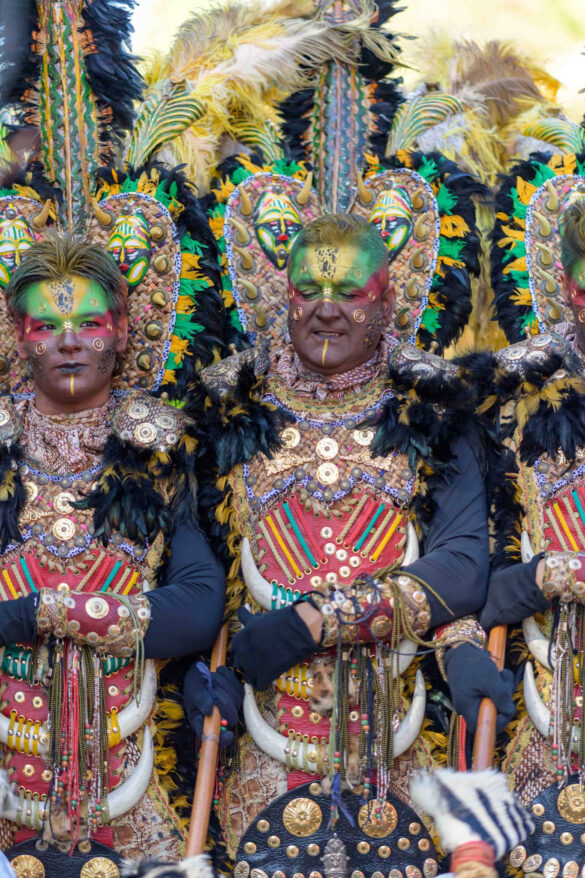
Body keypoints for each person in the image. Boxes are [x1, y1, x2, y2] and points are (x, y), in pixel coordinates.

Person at [192, 213, 515, 875]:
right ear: (284, 294)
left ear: (386, 300)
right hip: (259, 740)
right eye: (308, 290)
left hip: (397, 737)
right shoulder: (228, 409)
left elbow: (459, 565)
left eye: (349, 292)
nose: (327, 309)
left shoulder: (432, 408)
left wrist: (317, 620)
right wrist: (200, 678)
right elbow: (201, 573)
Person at [0, 234, 225, 871]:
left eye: (90, 324)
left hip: (133, 778)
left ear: (123, 331)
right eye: (47, 326)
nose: (69, 342)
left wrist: (43, 613)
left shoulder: (164, 450)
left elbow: (200, 606)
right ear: (19, 338)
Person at [470, 185, 585, 875]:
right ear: (569, 287)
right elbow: (471, 582)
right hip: (544, 708)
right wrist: (549, 575)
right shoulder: (512, 401)